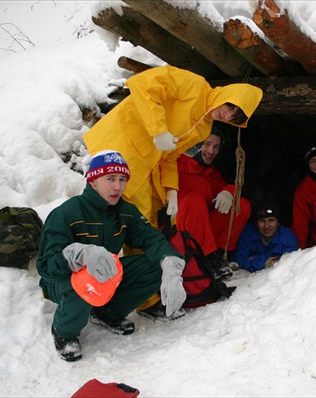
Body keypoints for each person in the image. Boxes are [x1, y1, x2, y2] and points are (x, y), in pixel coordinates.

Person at [37, 150, 187, 362]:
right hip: (62, 281)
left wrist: (171, 267)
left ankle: (106, 313)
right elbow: (46, 265)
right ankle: (64, 331)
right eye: (110, 179)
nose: (118, 186)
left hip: (105, 274)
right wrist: (80, 254)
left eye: (122, 179)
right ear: (93, 181)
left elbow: (152, 240)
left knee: (157, 265)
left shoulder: (125, 211)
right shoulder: (67, 213)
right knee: (86, 277)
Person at [83, 65, 263, 227]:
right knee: (139, 219)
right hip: (118, 145)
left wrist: (171, 190)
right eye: (231, 106)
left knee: (153, 219)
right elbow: (143, 84)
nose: (228, 114)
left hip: (143, 165)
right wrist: (158, 130)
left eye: (235, 116)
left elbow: (170, 156)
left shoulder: (203, 129)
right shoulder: (195, 85)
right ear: (227, 95)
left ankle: (137, 263)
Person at [175, 129, 251, 279]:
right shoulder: (176, 166)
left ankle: (221, 256)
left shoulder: (211, 173)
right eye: (207, 144)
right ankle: (209, 258)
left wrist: (229, 191)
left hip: (205, 234)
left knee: (241, 205)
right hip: (181, 232)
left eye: (216, 146)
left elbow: (225, 189)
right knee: (194, 200)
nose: (211, 151)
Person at [233, 198, 299, 272]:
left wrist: (253, 259)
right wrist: (264, 262)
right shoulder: (247, 233)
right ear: (256, 223)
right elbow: (238, 260)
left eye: (271, 220)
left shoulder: (288, 236)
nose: (267, 226)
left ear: (278, 223)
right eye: (262, 221)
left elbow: (288, 262)